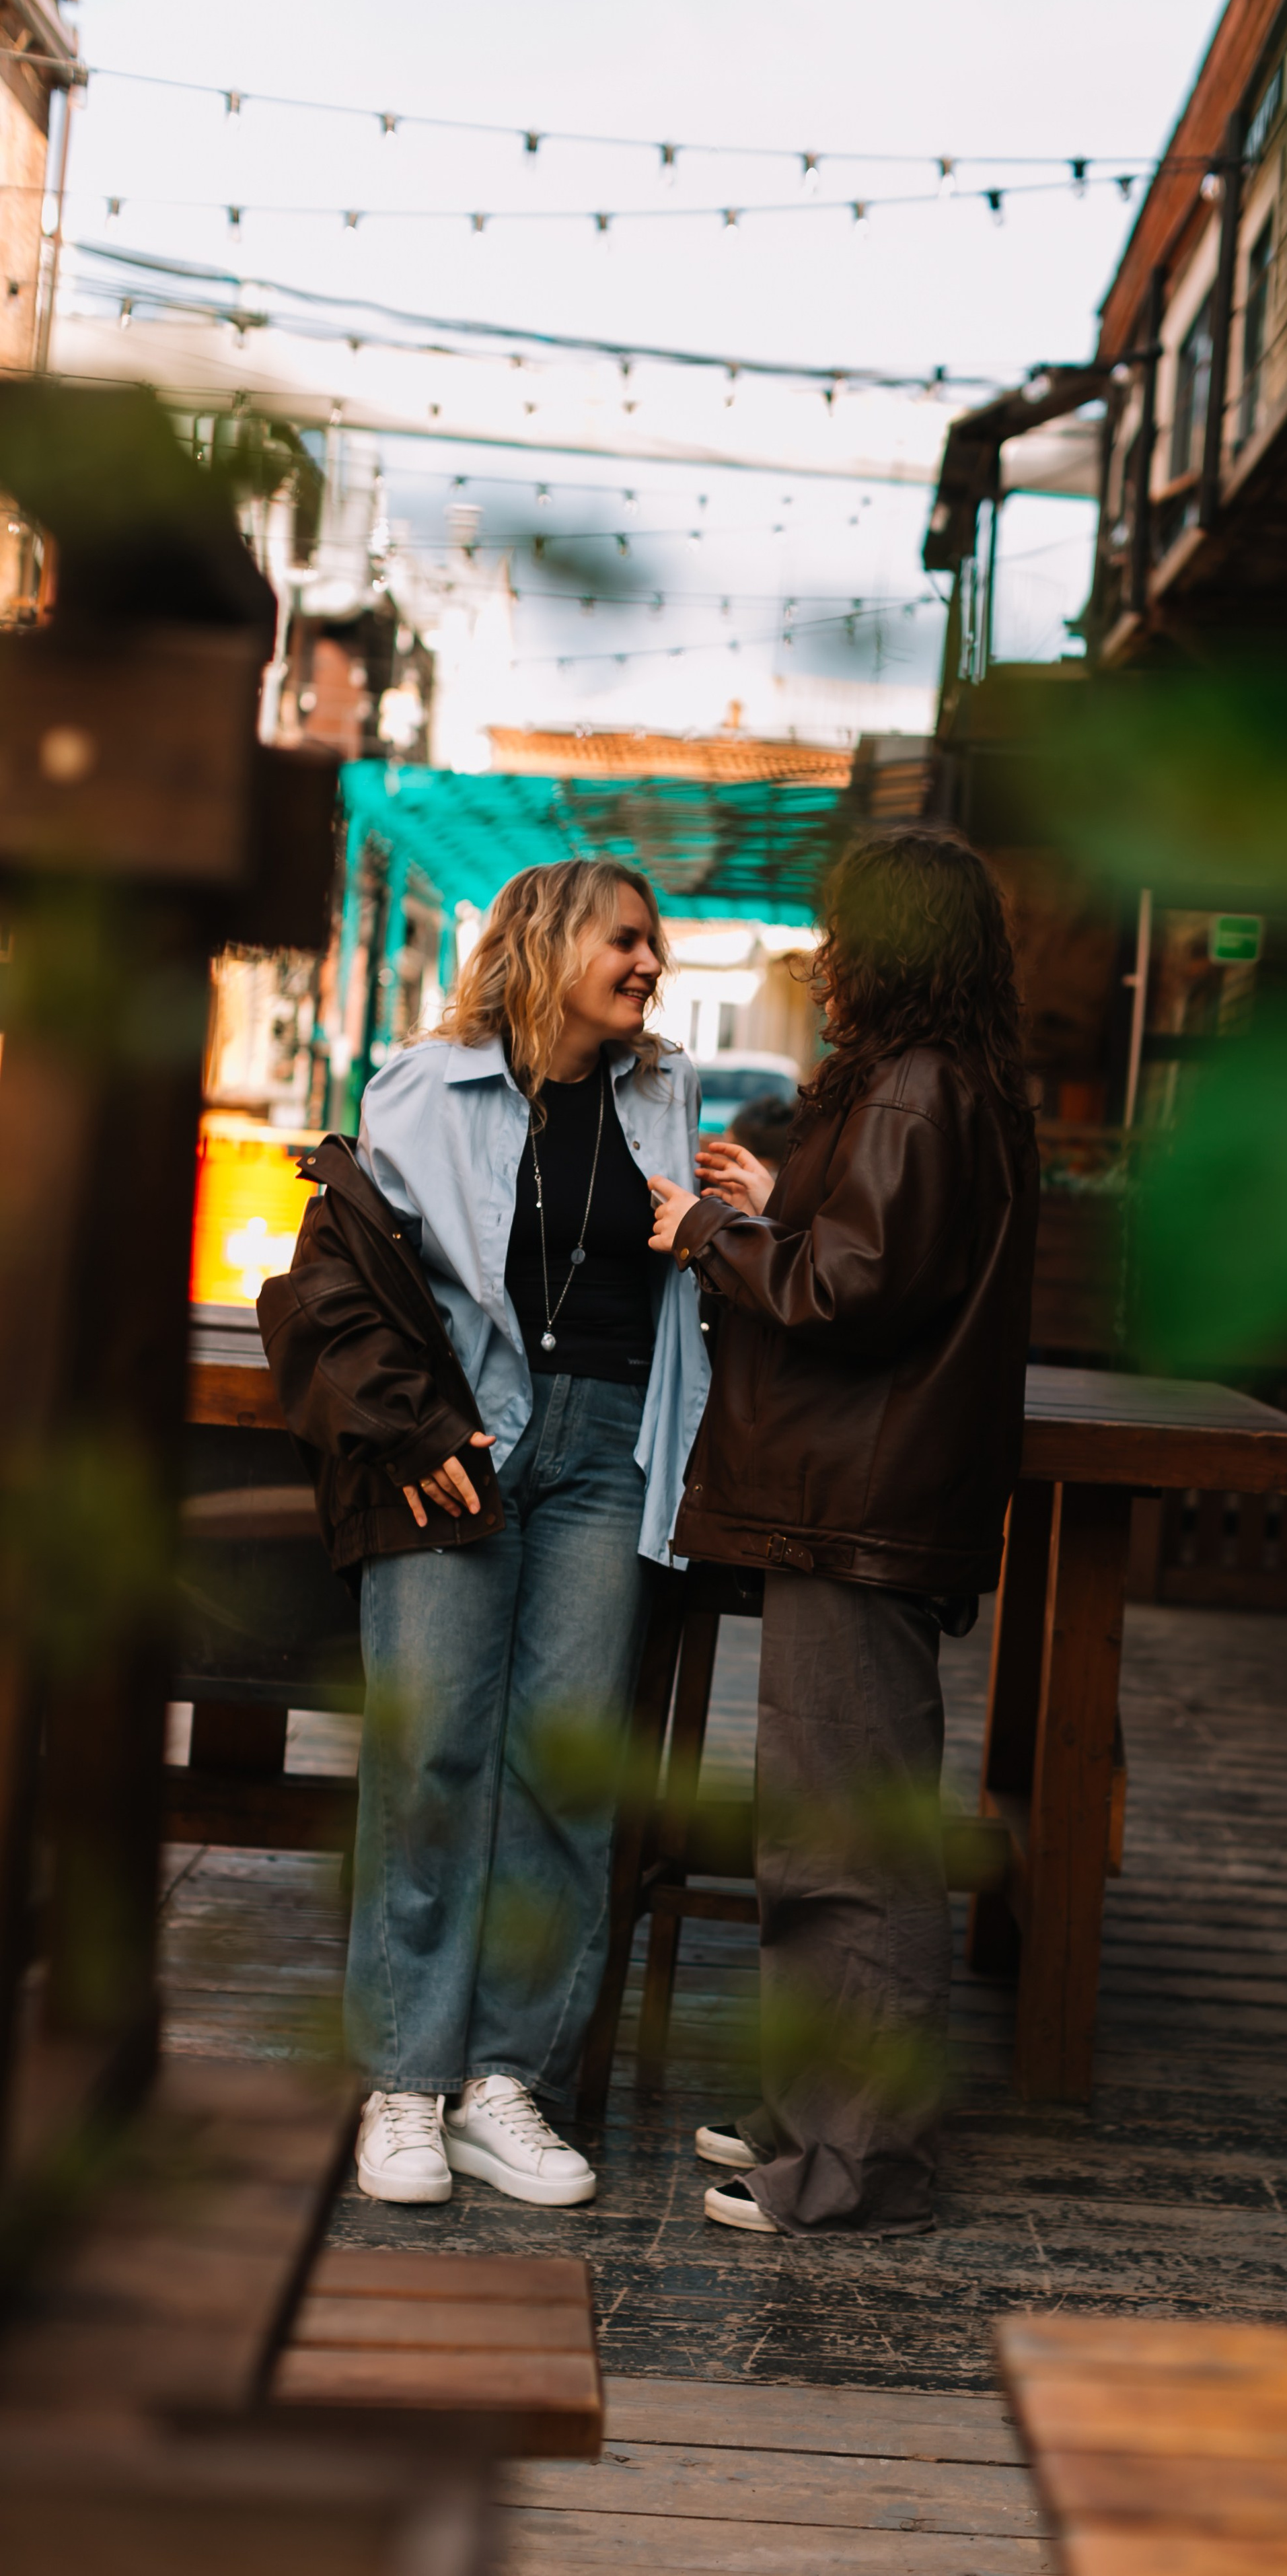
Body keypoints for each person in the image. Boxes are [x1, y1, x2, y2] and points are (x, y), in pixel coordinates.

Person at [260, 857, 708, 2209]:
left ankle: (510, 2084)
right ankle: (405, 2082)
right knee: (432, 1761)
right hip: (462, 1448)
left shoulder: (663, 1092)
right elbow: (339, 1282)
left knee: (564, 1772)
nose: (647, 966)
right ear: (552, 941)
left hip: (609, 1453)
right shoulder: (422, 1086)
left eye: (653, 947)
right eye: (624, 942)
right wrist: (411, 1434)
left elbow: (676, 1269)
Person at [645, 824, 1039, 2236]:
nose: (822, 950)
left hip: (852, 1507)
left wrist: (704, 1231)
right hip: (858, 1507)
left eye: (838, 928)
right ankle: (811, 2120)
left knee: (844, 1849)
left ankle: (851, 2162)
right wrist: (771, 1204)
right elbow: (867, 1252)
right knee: (827, 1831)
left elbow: (852, 1290)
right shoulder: (938, 1084)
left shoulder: (910, 1091)